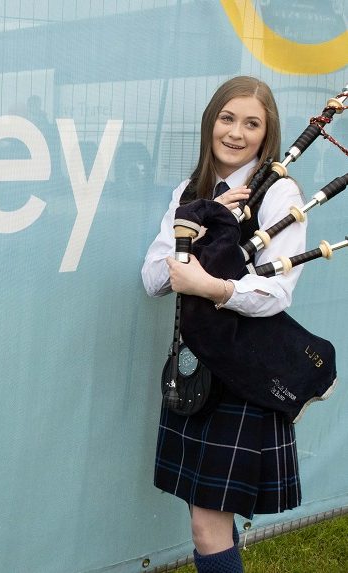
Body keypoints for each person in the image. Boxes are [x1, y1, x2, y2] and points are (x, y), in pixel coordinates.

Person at [141, 76, 307, 571]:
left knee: (205, 524)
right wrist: (200, 218)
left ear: (267, 134)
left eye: (252, 124)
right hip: (196, 371)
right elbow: (153, 278)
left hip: (243, 374)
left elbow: (277, 293)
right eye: (227, 118)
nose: (236, 133)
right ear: (211, 122)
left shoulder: (280, 193)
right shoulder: (190, 192)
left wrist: (212, 287)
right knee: (206, 513)